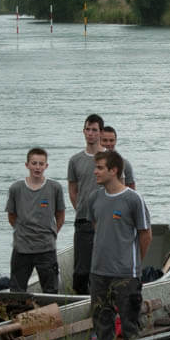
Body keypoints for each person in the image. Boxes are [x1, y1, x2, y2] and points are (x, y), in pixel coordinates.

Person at [87, 150, 151, 340]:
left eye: (99, 168)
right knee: (102, 326)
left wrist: (134, 264)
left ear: (113, 170)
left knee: (130, 327)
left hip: (125, 275)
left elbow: (145, 234)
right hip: (99, 272)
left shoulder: (133, 199)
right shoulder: (94, 198)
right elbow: (97, 227)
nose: (95, 172)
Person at [6, 148, 66, 294]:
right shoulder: (16, 188)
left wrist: (51, 233)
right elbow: (11, 216)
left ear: (46, 166)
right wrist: (23, 231)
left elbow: (60, 215)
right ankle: (17, 316)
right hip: (22, 248)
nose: (37, 167)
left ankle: (50, 315)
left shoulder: (55, 187)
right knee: (17, 290)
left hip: (46, 248)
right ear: (27, 165)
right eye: (34, 163)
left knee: (51, 290)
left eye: (41, 164)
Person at [66, 113, 104, 295]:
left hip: (105, 221)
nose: (90, 133)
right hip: (83, 220)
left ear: (100, 133)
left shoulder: (111, 158)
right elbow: (73, 190)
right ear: (83, 131)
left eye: (94, 130)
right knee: (81, 271)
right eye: (87, 129)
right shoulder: (75, 160)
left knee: (103, 267)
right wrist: (81, 209)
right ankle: (81, 299)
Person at [98, 125, 135, 189]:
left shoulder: (125, 164)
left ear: (115, 141)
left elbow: (131, 189)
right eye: (105, 140)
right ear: (98, 141)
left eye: (111, 140)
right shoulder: (92, 162)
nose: (108, 144)